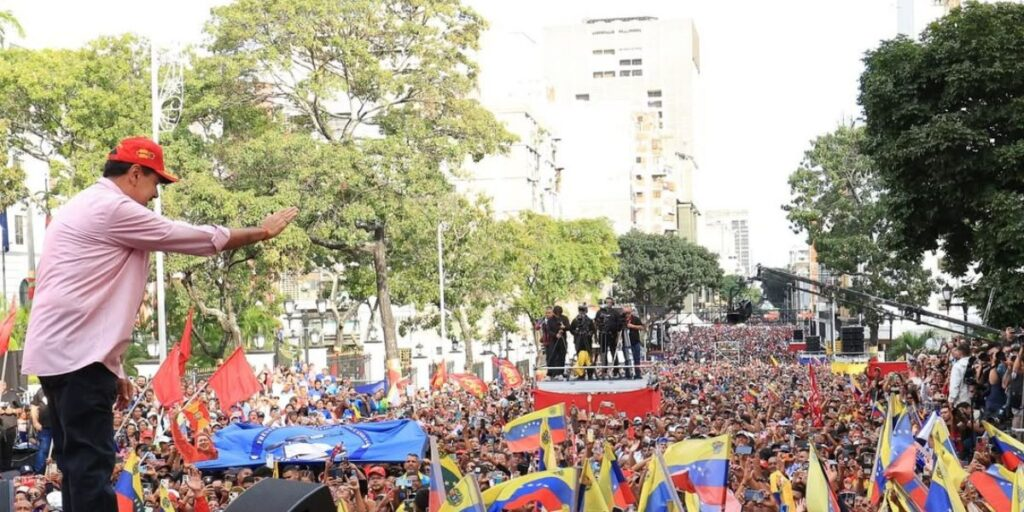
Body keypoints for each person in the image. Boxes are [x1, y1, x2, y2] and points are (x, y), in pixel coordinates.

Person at [21, 136, 298, 512]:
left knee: (78, 468)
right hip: (77, 358)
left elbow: (92, 301)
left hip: (66, 356)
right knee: (90, 468)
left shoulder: (85, 203)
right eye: (156, 183)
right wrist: (259, 233)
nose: (155, 196)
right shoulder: (112, 208)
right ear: (135, 173)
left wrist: (113, 366)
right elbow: (186, 236)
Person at [594, 297, 623, 377]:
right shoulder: (600, 312)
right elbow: (596, 322)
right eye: (607, 302)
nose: (608, 304)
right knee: (603, 352)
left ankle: (616, 370)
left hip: (612, 335)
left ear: (612, 303)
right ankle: (604, 370)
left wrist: (617, 336)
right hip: (602, 334)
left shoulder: (615, 313)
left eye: (610, 302)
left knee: (614, 352)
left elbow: (619, 325)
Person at [570, 304, 596, 380]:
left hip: (587, 341)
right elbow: (571, 329)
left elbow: (593, 330)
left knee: (588, 358)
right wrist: (576, 332)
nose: (581, 313)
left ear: (586, 311)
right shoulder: (575, 320)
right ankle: (581, 374)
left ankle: (590, 374)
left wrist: (589, 334)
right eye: (580, 311)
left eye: (583, 311)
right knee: (580, 357)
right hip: (578, 341)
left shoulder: (589, 320)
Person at [30, 388, 51, 474]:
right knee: (43, 450)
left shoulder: (63, 388)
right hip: (45, 427)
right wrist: (35, 422)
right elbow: (34, 406)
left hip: (61, 427)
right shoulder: (41, 391)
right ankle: (39, 474)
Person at [622, 305, 645, 379]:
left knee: (636, 358)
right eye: (625, 313)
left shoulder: (636, 319)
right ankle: (628, 374)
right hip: (625, 342)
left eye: (628, 313)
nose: (627, 315)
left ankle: (637, 373)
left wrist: (632, 326)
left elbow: (642, 327)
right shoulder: (622, 320)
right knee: (627, 359)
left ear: (631, 312)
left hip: (635, 342)